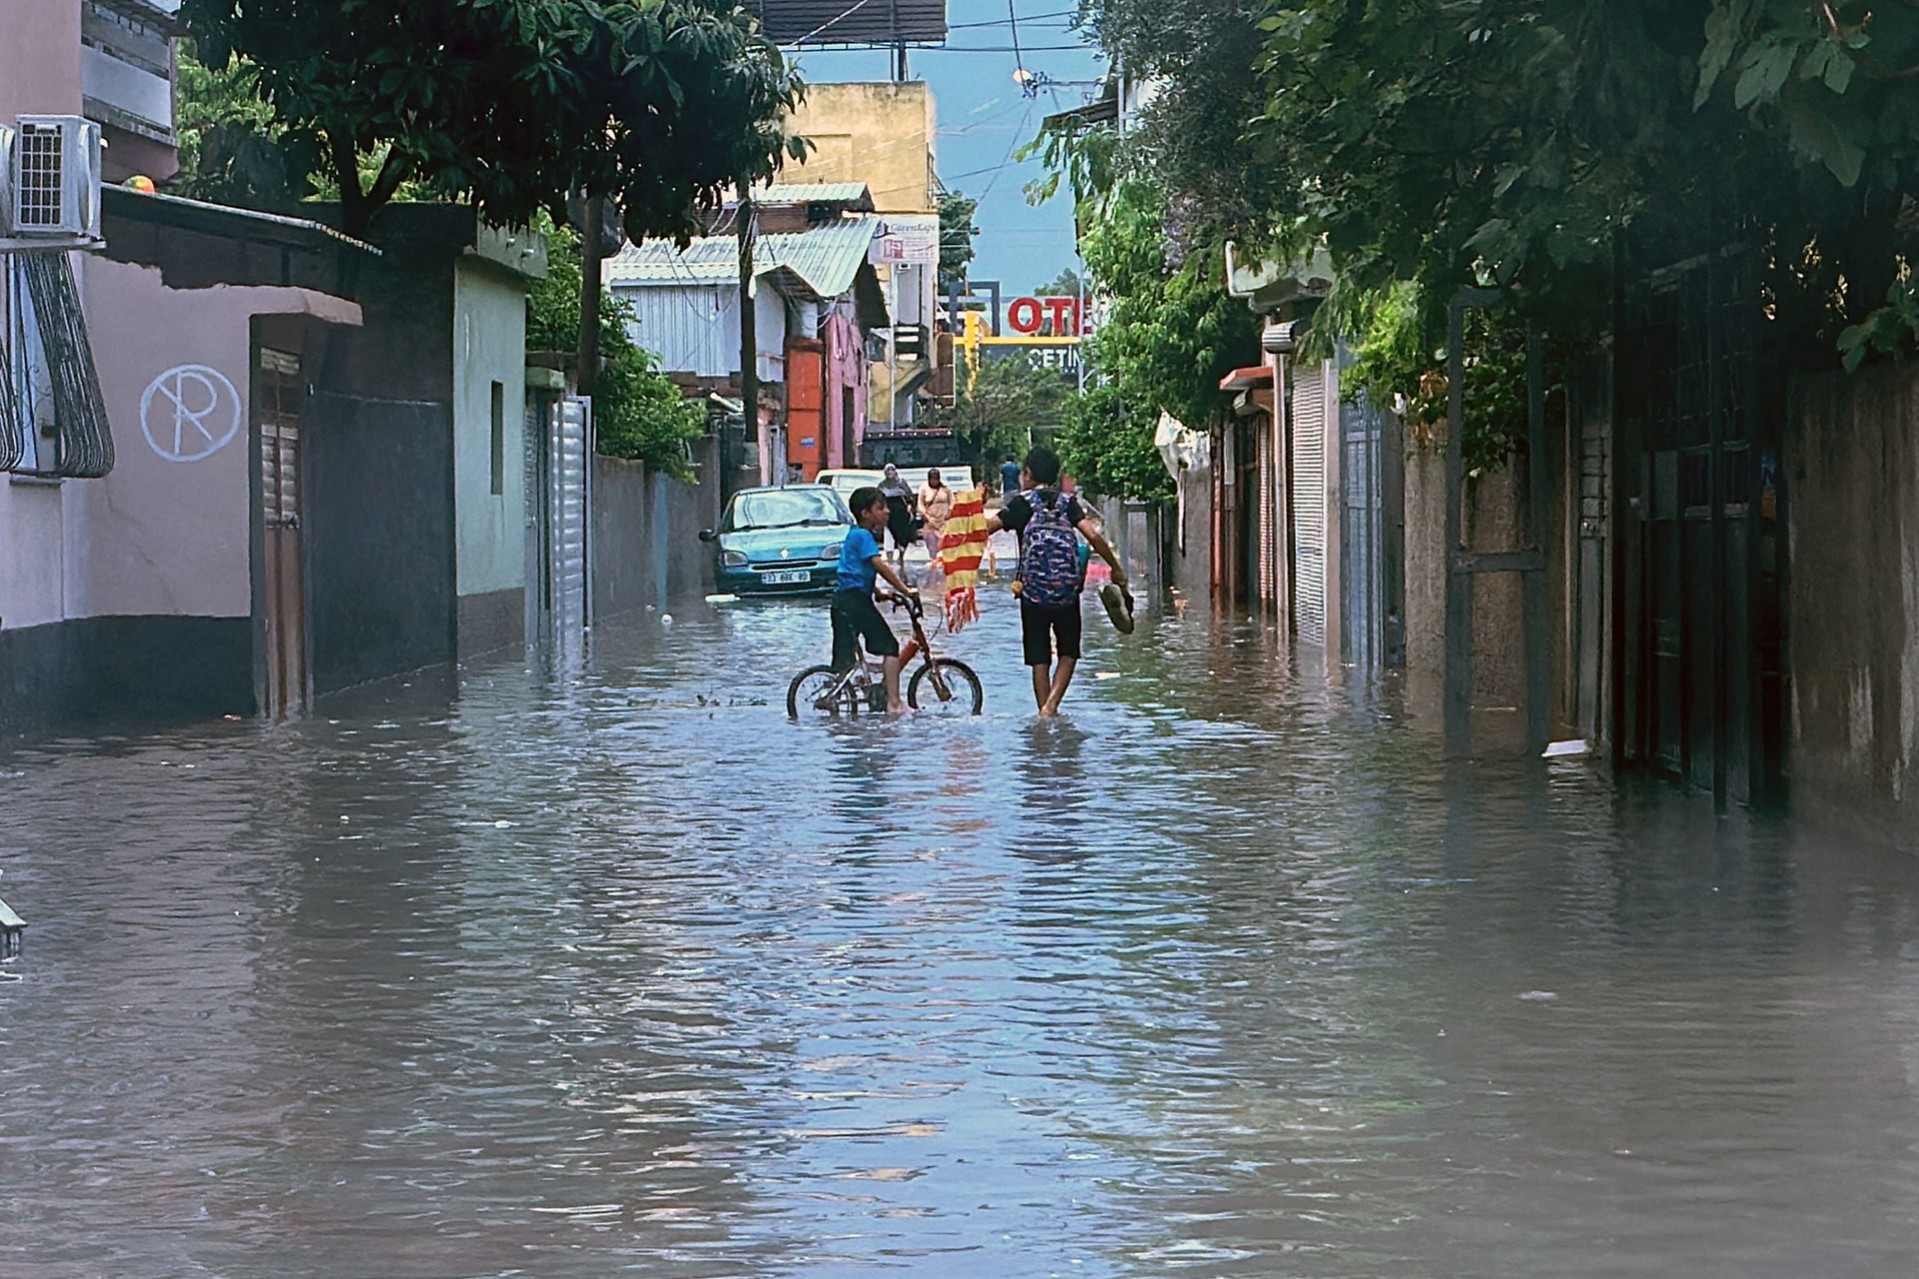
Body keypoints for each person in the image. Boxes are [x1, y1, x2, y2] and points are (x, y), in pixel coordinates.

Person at [982, 445, 1129, 718]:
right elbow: (1094, 537)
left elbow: (986, 528)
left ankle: (1043, 710)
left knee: (1039, 655)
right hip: (1067, 591)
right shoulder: (1067, 503)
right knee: (1068, 650)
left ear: (1027, 473)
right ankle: (1051, 707)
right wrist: (1116, 569)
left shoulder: (1021, 504)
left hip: (1032, 591)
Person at [832, 486, 917, 713]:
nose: (887, 512)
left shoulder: (854, 534)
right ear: (865, 513)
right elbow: (878, 565)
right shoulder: (863, 536)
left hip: (844, 600)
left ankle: (836, 694)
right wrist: (905, 589)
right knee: (890, 646)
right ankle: (894, 703)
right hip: (855, 602)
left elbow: (856, 571)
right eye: (881, 508)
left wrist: (879, 593)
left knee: (845, 658)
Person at [878, 464, 917, 569]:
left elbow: (910, 497)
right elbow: (879, 500)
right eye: (888, 470)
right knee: (888, 539)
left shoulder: (901, 483)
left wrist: (910, 506)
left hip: (901, 515)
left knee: (902, 538)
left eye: (892, 470)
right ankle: (890, 563)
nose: (890, 472)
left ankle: (901, 559)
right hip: (889, 515)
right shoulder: (882, 485)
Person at [918, 467, 953, 571]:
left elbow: (952, 501)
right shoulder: (924, 489)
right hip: (931, 521)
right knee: (932, 544)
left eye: (936, 479)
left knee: (944, 542)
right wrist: (926, 515)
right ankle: (934, 560)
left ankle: (944, 561)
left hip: (944, 520)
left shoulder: (945, 488)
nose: (934, 481)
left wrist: (950, 511)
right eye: (932, 479)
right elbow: (920, 504)